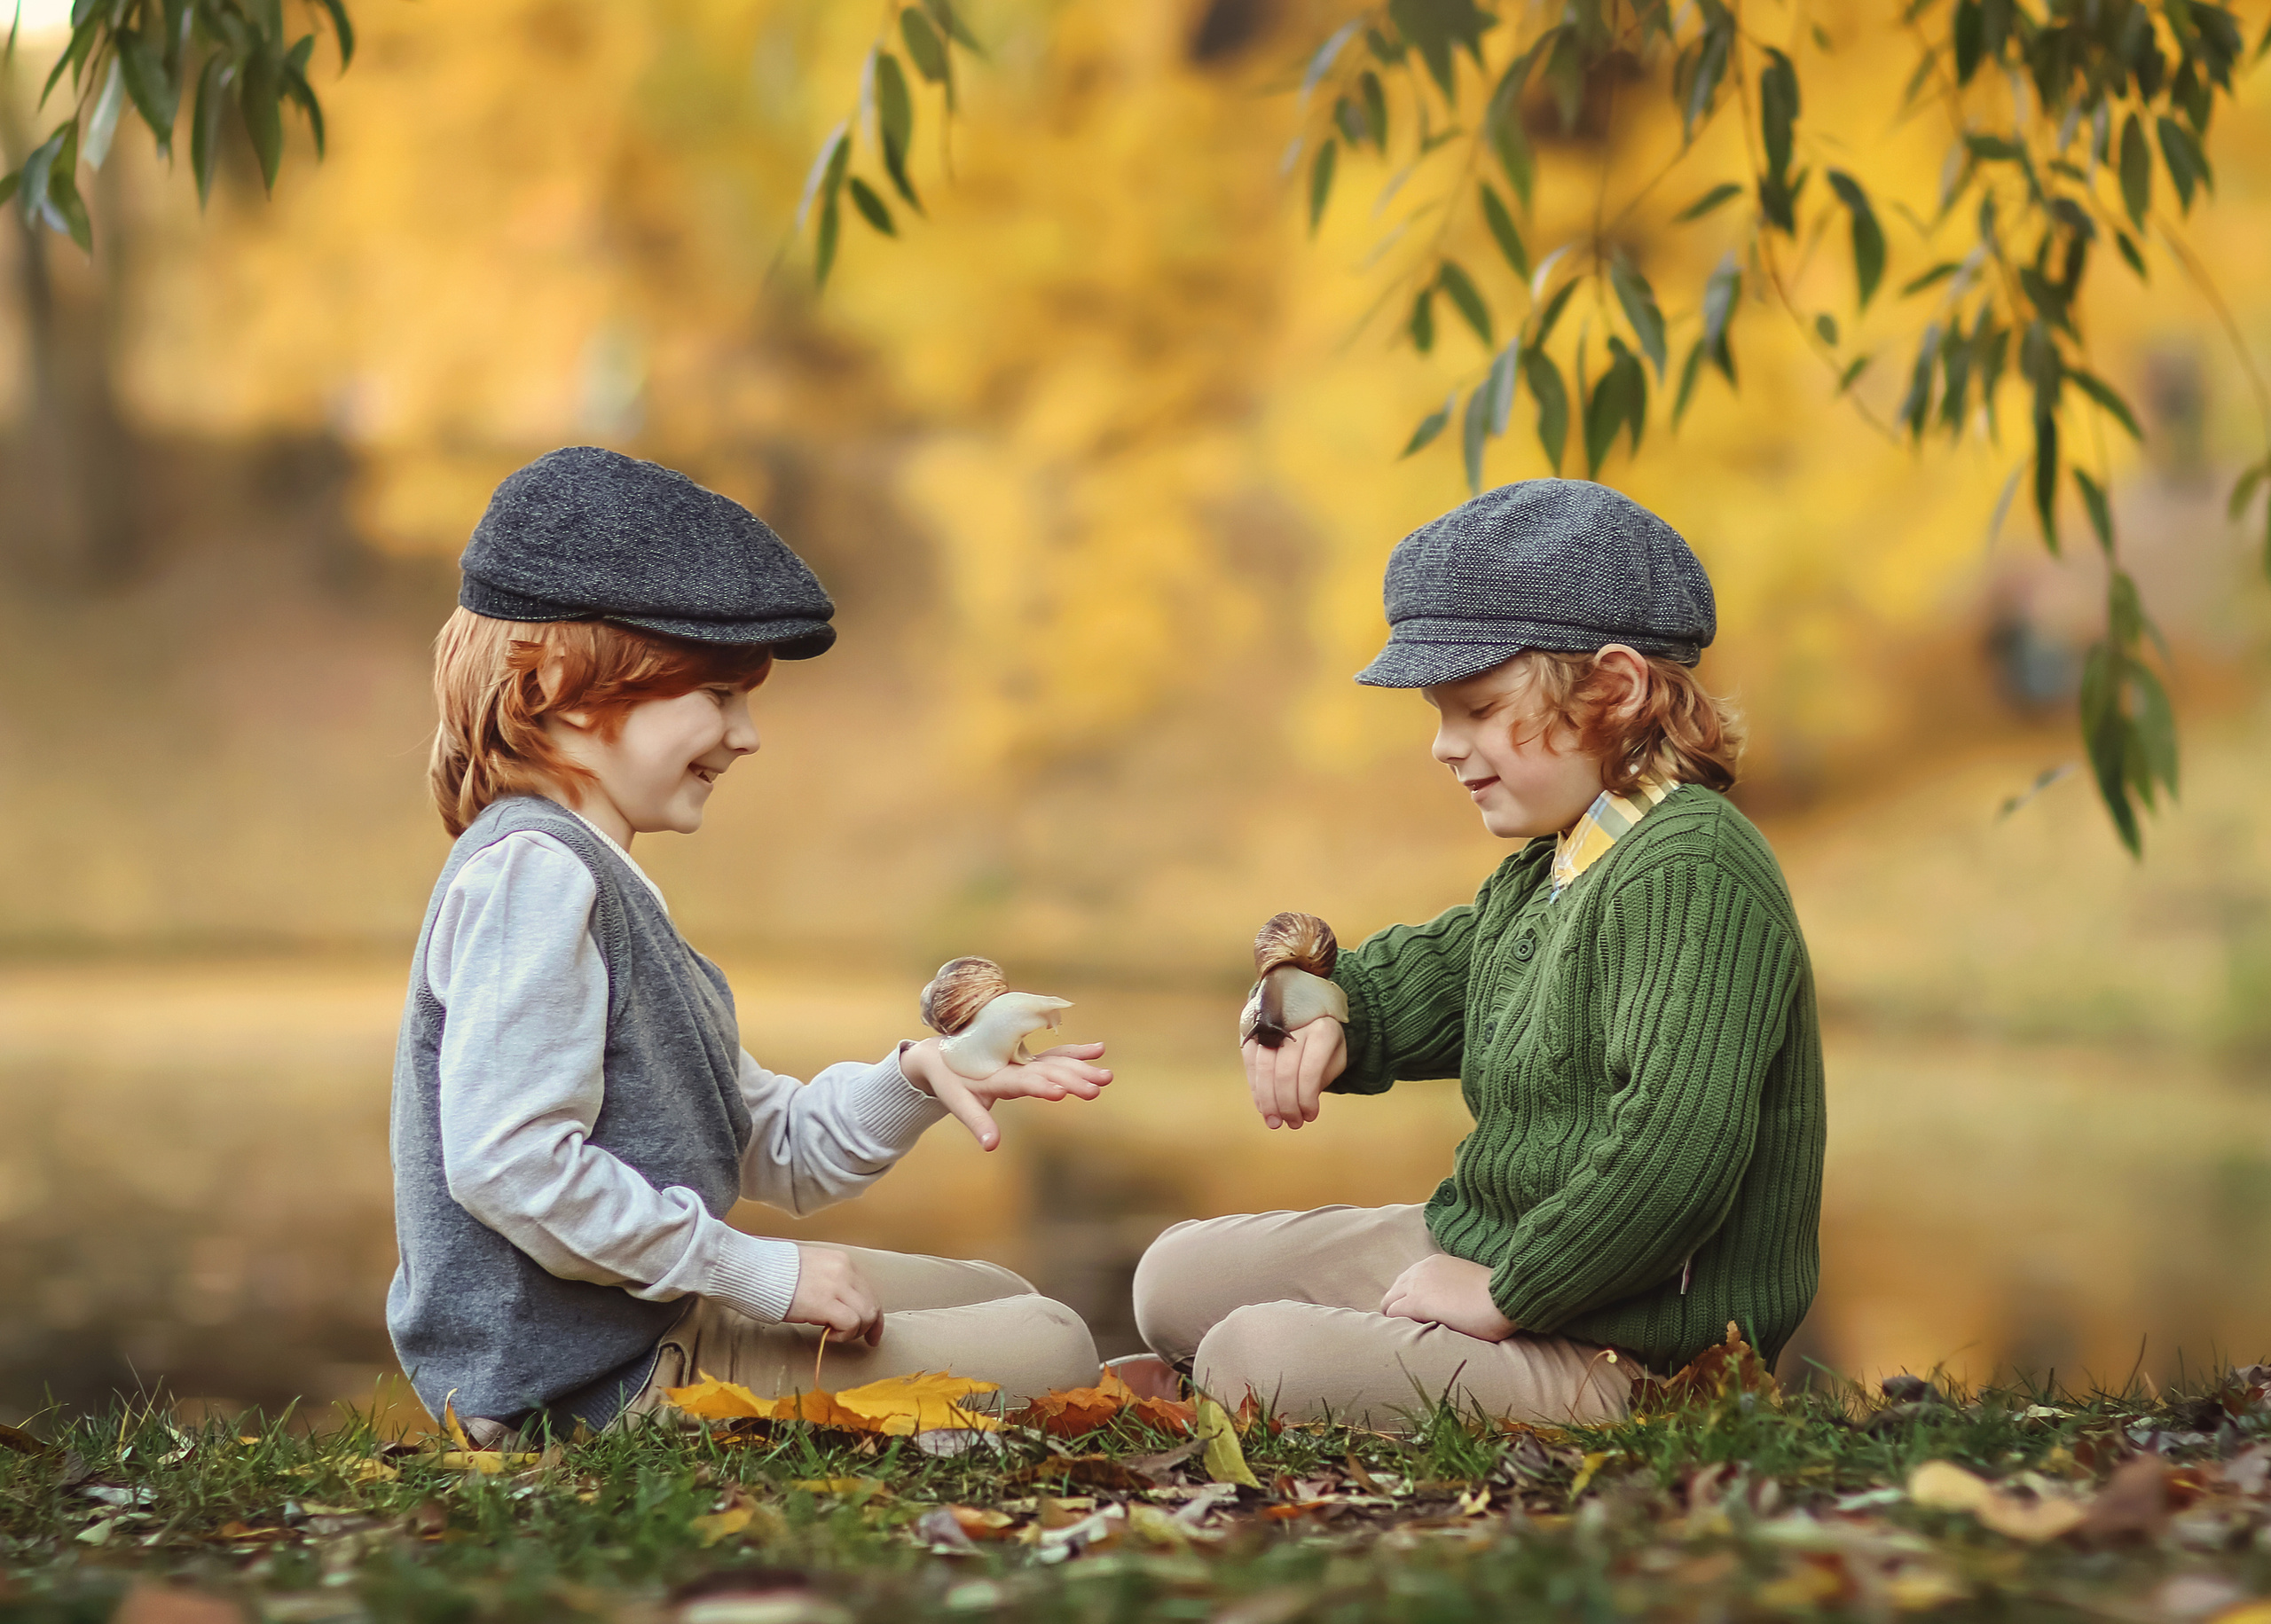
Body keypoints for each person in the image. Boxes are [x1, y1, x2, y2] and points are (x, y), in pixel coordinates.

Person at [388, 446, 1108, 1442]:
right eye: (718, 694)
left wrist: (924, 1070)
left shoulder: (594, 879)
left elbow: (775, 1145)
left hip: (652, 1328)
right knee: (1056, 1346)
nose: (747, 734)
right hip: (592, 1385)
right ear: (566, 685)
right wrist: (761, 1274)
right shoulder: (533, 876)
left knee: (1000, 1289)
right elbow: (509, 1165)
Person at [1129, 480, 1826, 1427]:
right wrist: (1325, 1008)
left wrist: (1505, 1296)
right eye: (1438, 713)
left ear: (1615, 691)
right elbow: (1440, 976)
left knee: (1254, 1353)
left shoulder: (1693, 868)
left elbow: (1676, 1155)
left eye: (1478, 708)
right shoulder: (1564, 861)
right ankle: (1331, 1355)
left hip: (1631, 1341)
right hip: (1499, 1247)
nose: (1442, 747)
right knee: (1171, 1278)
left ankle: (1327, 1367)